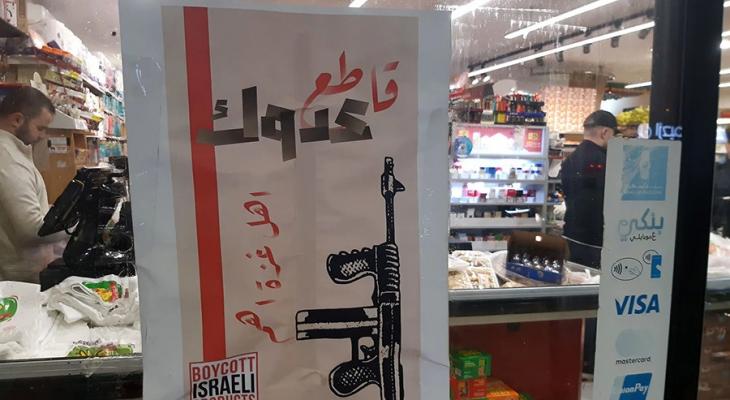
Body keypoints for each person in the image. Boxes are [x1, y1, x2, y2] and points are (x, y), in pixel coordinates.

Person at [0, 87, 66, 283]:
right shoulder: (8, 159)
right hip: (19, 279)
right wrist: (76, 225)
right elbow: (32, 230)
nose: (43, 135)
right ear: (17, 120)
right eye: (40, 128)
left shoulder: (14, 153)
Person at [561, 110, 618, 269]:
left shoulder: (570, 159)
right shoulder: (606, 160)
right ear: (605, 132)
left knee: (576, 278)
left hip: (571, 234)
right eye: (614, 134)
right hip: (595, 240)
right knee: (593, 281)